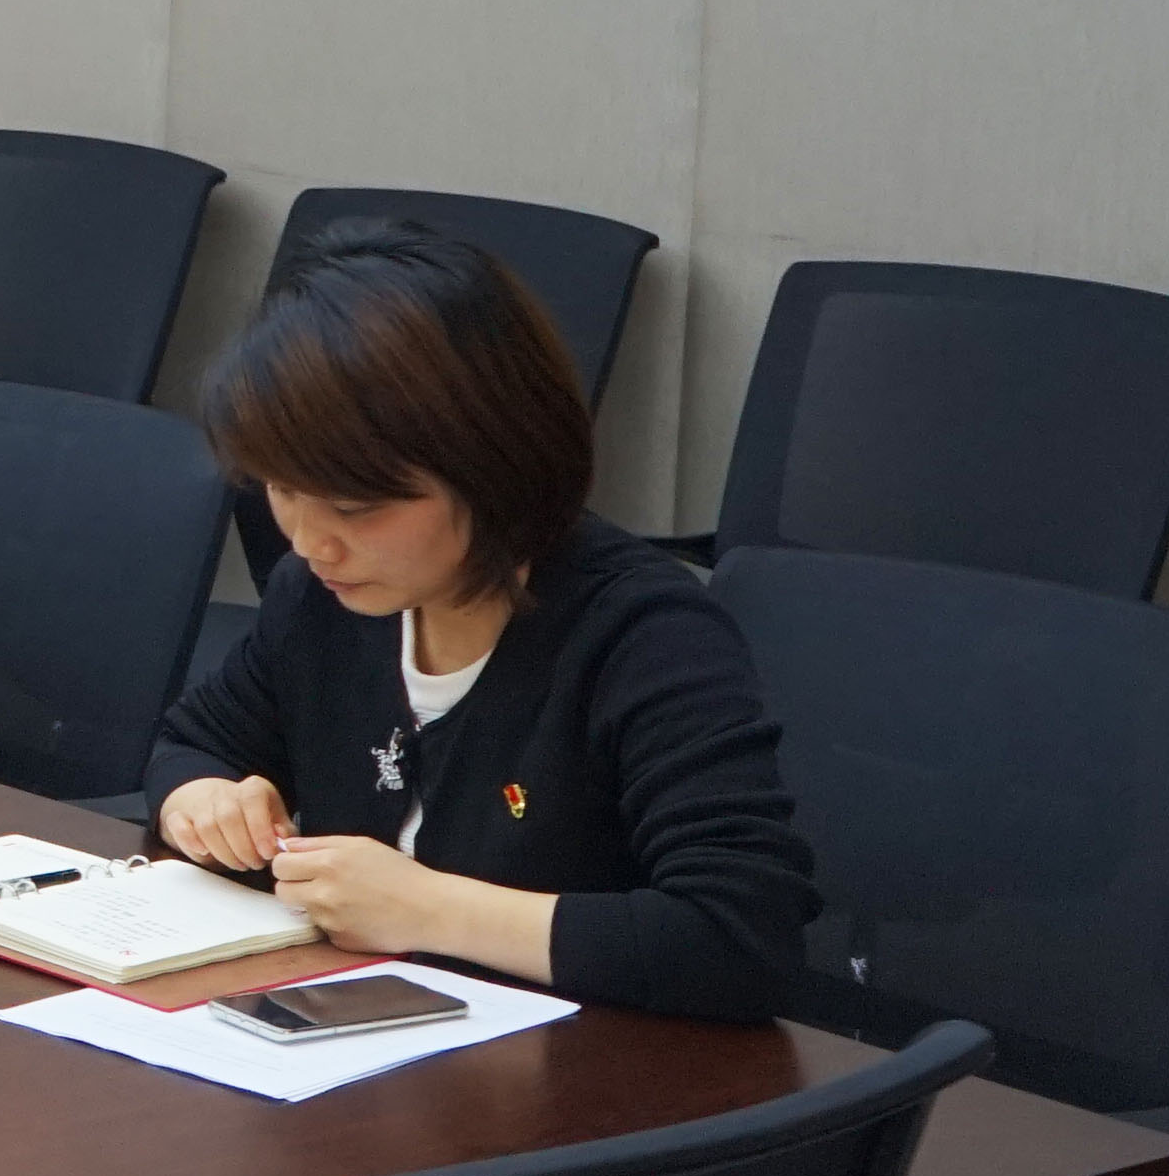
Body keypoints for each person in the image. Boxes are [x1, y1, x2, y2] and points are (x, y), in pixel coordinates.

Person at [151, 221, 813, 1012]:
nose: (309, 540)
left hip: (581, 1061)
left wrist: (429, 909)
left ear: (493, 467)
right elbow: (196, 744)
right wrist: (204, 803)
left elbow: (740, 938)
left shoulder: (644, 636)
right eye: (282, 489)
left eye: (355, 508)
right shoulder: (321, 599)